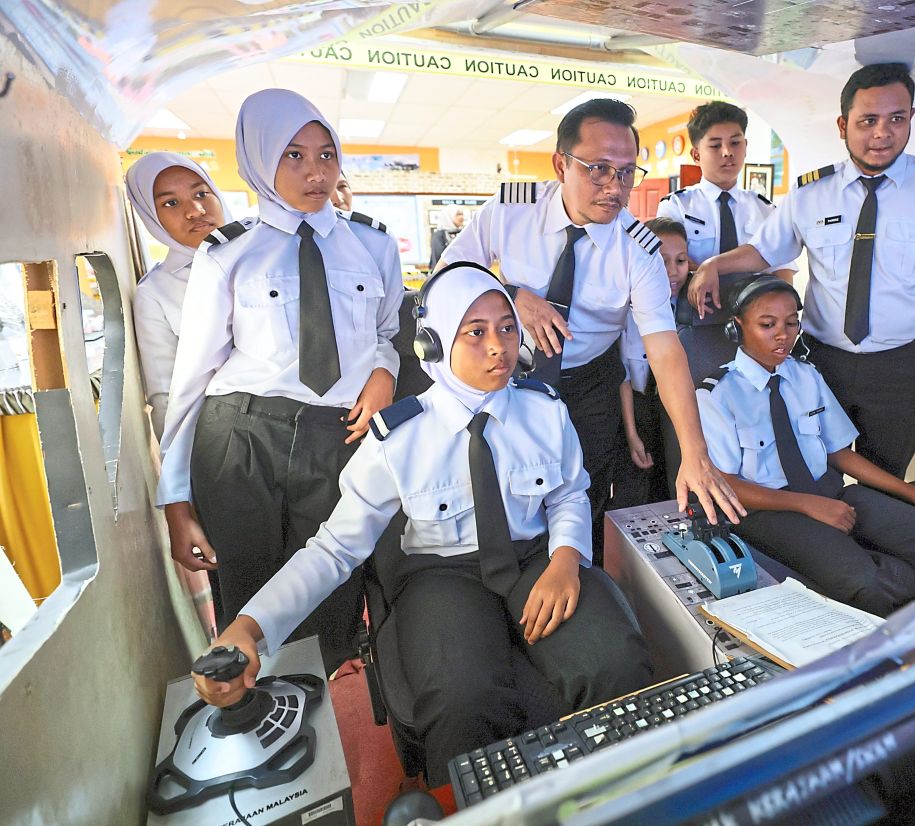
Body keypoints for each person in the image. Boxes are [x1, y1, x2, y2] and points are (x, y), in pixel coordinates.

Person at [192, 263, 652, 785]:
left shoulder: (545, 412)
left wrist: (566, 558)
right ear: (432, 346)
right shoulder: (398, 438)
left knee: (616, 663)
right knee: (464, 697)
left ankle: (617, 793)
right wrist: (249, 627)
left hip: (534, 562)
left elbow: (570, 493)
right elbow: (334, 550)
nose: (499, 346)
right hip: (442, 577)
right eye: (475, 333)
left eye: (506, 326)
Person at [157, 89, 404, 672]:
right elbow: (193, 379)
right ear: (259, 158)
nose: (314, 172)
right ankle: (257, 730)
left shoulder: (373, 243)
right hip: (241, 439)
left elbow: (389, 333)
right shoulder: (228, 253)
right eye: (292, 155)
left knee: (330, 598)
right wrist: (175, 500)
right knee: (245, 597)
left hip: (338, 435)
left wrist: (384, 374)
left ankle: (319, 728)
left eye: (325, 154)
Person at [438, 98, 743, 560]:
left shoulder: (639, 249)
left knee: (584, 492)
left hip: (587, 383)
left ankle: (578, 582)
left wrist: (694, 452)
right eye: (598, 168)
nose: (614, 187)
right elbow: (447, 273)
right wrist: (511, 295)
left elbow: (664, 350)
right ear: (561, 164)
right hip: (506, 376)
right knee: (498, 487)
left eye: (625, 172)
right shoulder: (510, 210)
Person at [688, 63, 915, 479]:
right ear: (842, 124)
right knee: (812, 468)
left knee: (886, 474)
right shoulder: (811, 192)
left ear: (911, 120)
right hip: (820, 360)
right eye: (868, 120)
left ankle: (876, 543)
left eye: (896, 119)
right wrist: (713, 264)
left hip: (902, 365)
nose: (882, 133)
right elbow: (763, 250)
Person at [696, 277, 915, 616]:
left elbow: (838, 451)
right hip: (768, 512)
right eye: (767, 325)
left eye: (791, 323)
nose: (783, 335)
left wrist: (910, 492)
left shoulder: (806, 376)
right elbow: (725, 484)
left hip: (833, 494)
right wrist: (807, 505)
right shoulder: (716, 395)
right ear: (737, 328)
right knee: (869, 584)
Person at [125, 152, 234, 438]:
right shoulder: (156, 292)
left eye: (202, 193)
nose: (196, 210)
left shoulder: (268, 257)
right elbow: (165, 394)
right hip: (226, 439)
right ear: (151, 215)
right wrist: (182, 472)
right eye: (171, 203)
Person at [656, 101, 796, 278]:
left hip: (755, 302)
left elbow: (782, 268)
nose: (727, 152)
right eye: (715, 145)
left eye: (735, 143)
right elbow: (672, 267)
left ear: (745, 147)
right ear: (696, 155)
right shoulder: (676, 207)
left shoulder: (765, 210)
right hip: (695, 303)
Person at [614, 217, 689, 507]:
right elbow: (623, 375)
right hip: (638, 407)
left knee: (673, 490)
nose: (670, 272)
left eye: (680, 261)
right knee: (635, 492)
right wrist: (632, 433)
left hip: (678, 410)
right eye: (660, 260)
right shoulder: (627, 309)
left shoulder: (694, 306)